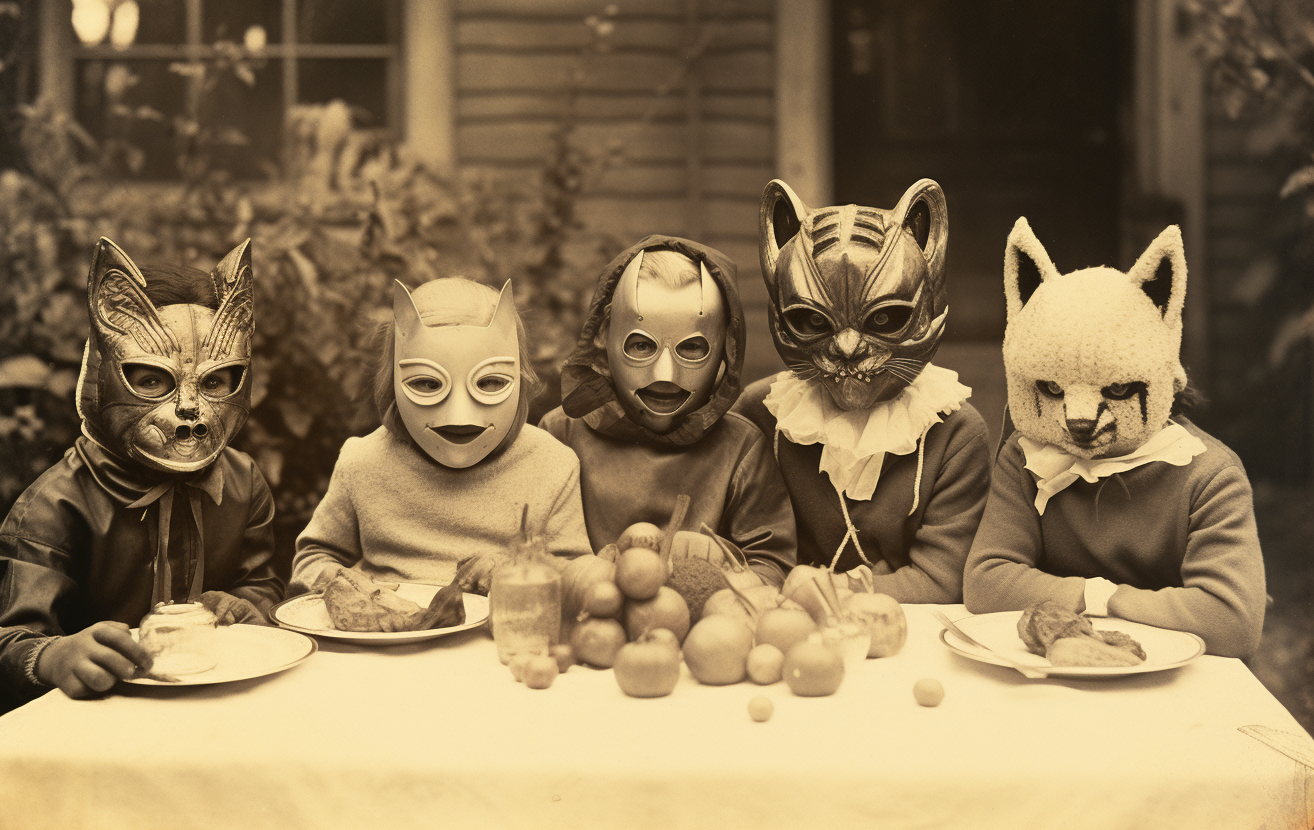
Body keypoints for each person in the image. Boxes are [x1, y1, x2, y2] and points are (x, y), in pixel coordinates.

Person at [0, 238, 286, 710]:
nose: (188, 409)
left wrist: (247, 604)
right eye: (151, 379)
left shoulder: (244, 483)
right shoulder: (57, 504)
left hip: (222, 706)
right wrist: (57, 656)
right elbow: (2, 651)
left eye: (215, 381)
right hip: (100, 725)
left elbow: (261, 584)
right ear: (103, 373)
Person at [963, 219, 1266, 659]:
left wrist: (1101, 599)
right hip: (1055, 666)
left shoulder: (1209, 475)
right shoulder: (1027, 458)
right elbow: (986, 583)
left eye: (1118, 389)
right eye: (1052, 389)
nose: (1079, 420)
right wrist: (1135, 602)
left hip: (1173, 678)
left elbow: (1231, 621)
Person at [733, 178, 991, 603]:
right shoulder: (759, 415)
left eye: (885, 318)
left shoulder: (956, 434)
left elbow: (941, 581)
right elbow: (744, 556)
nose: (848, 348)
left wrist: (816, 589)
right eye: (813, 321)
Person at [290, 277, 590, 597]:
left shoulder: (551, 465)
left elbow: (578, 577)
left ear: (521, 378)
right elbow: (313, 559)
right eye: (428, 384)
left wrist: (521, 568)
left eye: (489, 383)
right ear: (392, 381)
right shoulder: (362, 461)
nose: (459, 415)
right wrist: (332, 578)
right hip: (386, 640)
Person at [540, 235, 796, 586]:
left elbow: (773, 566)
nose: (665, 376)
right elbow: (534, 555)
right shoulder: (560, 435)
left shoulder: (742, 448)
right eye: (641, 345)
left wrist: (712, 573)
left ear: (727, 348)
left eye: (692, 348)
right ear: (604, 334)